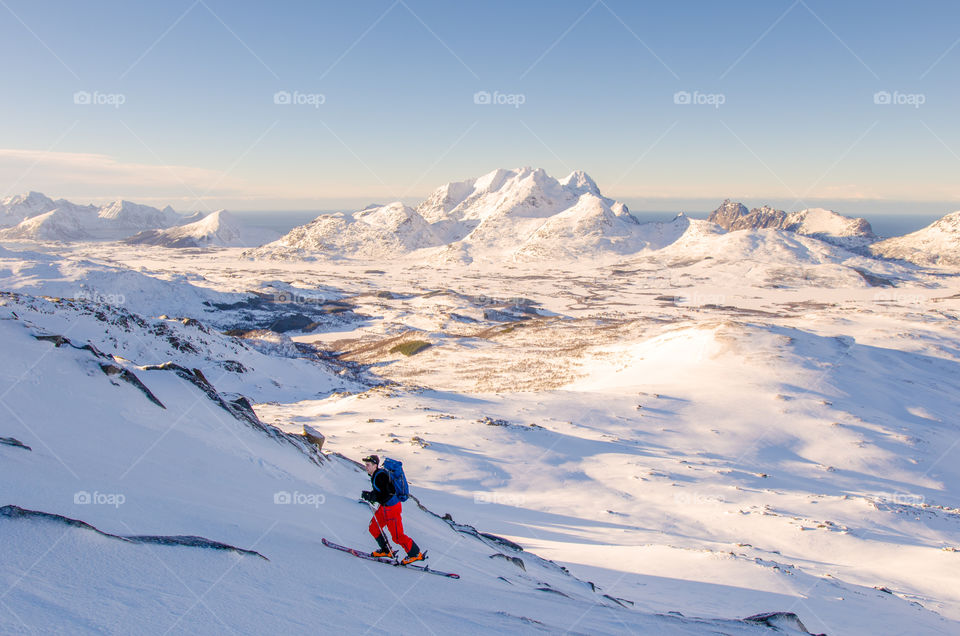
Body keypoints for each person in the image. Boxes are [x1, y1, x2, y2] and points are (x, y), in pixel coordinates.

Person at [361, 454, 424, 565]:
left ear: (375, 465)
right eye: (366, 464)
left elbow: (389, 492)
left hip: (392, 509)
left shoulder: (381, 476)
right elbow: (380, 492)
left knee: (397, 536)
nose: (366, 467)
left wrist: (372, 497)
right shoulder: (376, 475)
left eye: (368, 465)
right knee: (374, 528)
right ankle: (386, 551)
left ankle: (415, 554)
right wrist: (371, 495)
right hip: (384, 507)